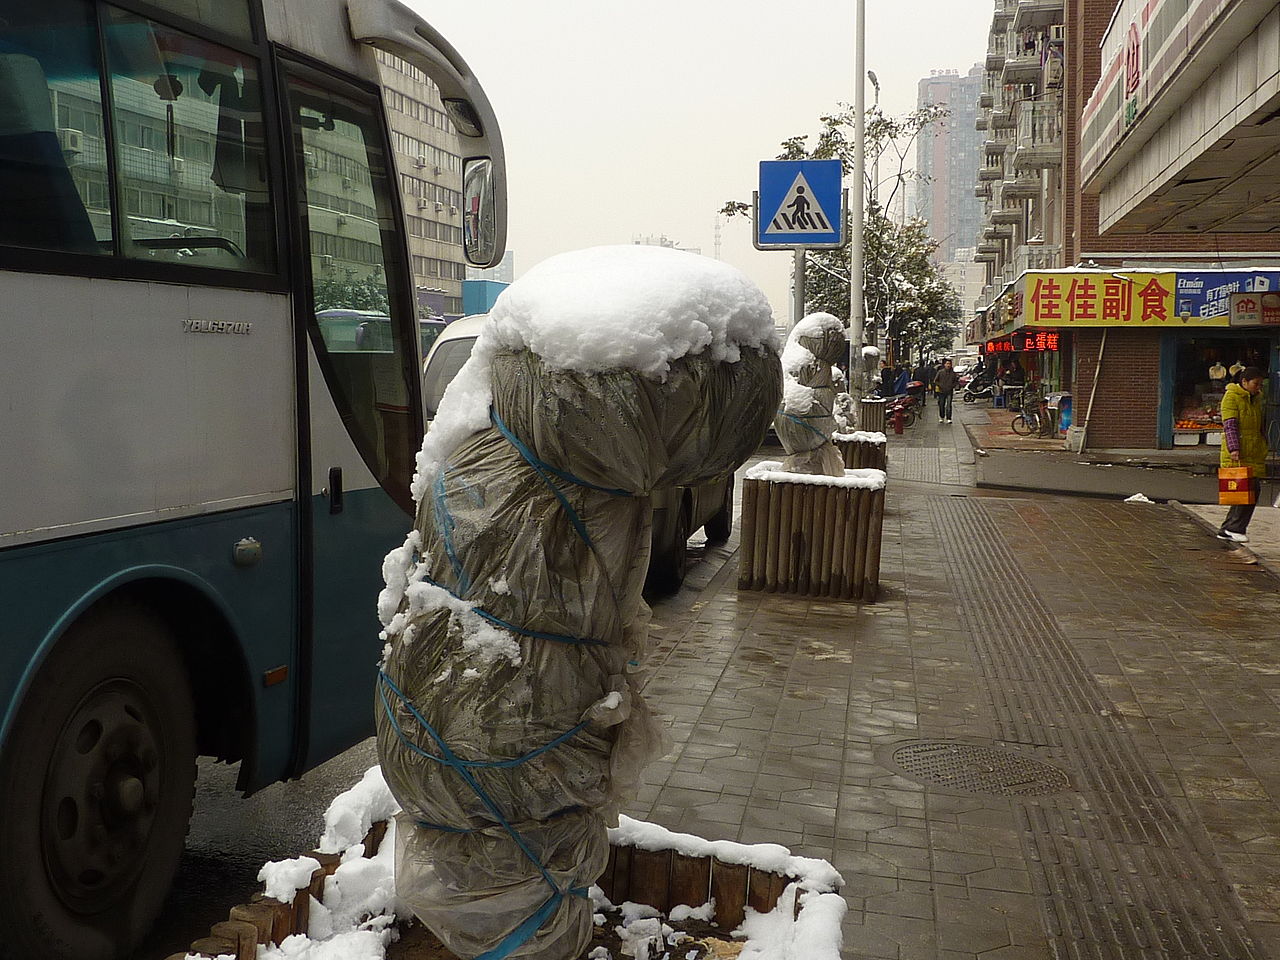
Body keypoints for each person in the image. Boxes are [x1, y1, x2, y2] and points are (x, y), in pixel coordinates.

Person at [1217, 366, 1268, 543]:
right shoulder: (1231, 397)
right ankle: (1234, 528)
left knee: (1244, 490)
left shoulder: (1255, 399)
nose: (1258, 388)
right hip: (1239, 452)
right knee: (1249, 489)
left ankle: (1227, 528)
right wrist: (1234, 449)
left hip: (1253, 450)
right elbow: (1230, 425)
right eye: (1256, 384)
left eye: (1260, 384)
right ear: (1244, 382)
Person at [934, 358, 958, 423]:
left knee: (949, 405)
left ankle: (949, 418)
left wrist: (952, 386)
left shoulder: (953, 373)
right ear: (944, 365)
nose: (948, 365)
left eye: (949, 364)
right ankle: (941, 416)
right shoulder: (940, 372)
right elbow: (935, 380)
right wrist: (940, 385)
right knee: (941, 404)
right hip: (941, 391)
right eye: (947, 364)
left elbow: (956, 381)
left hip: (949, 391)